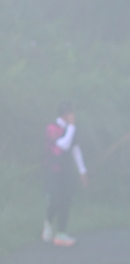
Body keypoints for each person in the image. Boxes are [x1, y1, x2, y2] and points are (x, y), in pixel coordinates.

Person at [42, 102, 88, 248]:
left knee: (66, 200)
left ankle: (61, 233)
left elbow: (75, 149)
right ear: (65, 114)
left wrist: (82, 171)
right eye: (72, 113)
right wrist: (72, 127)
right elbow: (63, 145)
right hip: (52, 169)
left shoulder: (71, 129)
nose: (74, 116)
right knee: (55, 200)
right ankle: (48, 222)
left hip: (66, 171)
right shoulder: (52, 128)